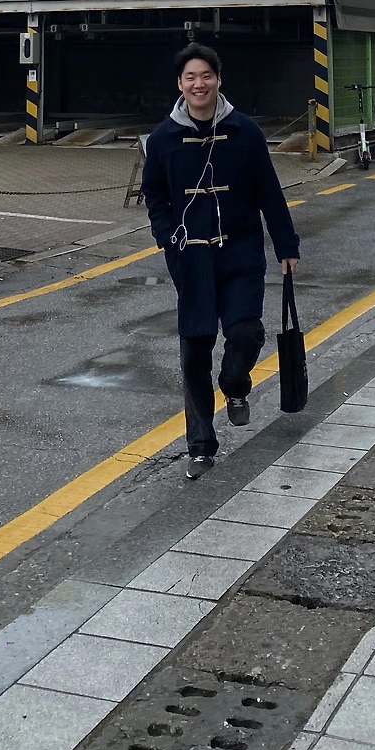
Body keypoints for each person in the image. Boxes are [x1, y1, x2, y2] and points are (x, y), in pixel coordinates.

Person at [142, 43, 300, 482]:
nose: (199, 84)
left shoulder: (245, 132)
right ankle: (200, 446)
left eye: (206, 75)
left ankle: (235, 385)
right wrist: (166, 236)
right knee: (195, 350)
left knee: (245, 332)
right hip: (190, 257)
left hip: (241, 252)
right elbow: (154, 193)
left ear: (218, 79)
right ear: (180, 84)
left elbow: (269, 192)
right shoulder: (163, 139)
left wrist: (286, 246)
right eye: (190, 77)